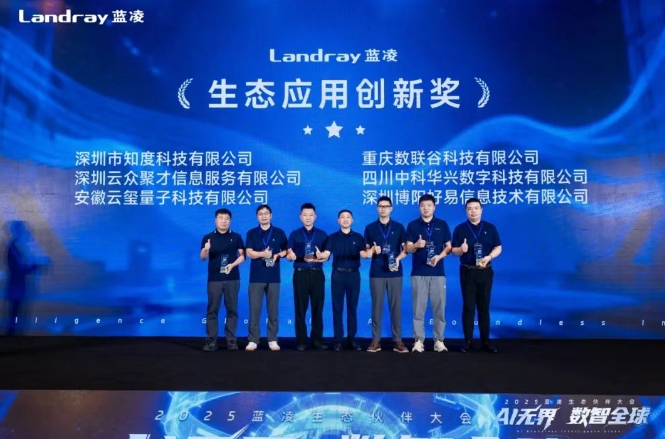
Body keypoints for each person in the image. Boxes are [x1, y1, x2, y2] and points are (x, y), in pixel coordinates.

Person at [451, 198, 502, 353]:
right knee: (468, 307)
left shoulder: (490, 228)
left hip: (485, 271)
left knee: (484, 307)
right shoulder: (460, 229)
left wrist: (489, 257)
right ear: (466, 211)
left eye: (476, 208)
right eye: (469, 209)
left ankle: (486, 342)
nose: (473, 211)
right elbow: (454, 251)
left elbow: (498, 247)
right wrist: (461, 249)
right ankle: (467, 342)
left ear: (481, 210)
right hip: (468, 271)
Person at [405, 194, 452, 353]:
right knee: (418, 309)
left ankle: (439, 340)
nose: (426, 208)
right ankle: (418, 341)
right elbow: (407, 248)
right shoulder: (412, 225)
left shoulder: (442, 224)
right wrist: (416, 245)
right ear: (419, 207)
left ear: (434, 207)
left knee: (439, 308)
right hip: (418, 272)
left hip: (438, 273)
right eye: (423, 205)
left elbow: (449, 247)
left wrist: (439, 257)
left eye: (429, 205)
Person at [363, 196, 409, 353]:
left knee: (396, 307)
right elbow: (366, 251)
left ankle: (398, 341)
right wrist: (372, 250)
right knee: (376, 307)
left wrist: (398, 259)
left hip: (395, 272)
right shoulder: (370, 228)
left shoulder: (399, 227)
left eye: (386, 206)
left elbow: (405, 249)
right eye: (380, 206)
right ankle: (375, 341)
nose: (383, 208)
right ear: (377, 208)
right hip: (377, 272)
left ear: (391, 208)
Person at [321, 209, 372, 351]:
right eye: (342, 217)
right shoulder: (332, 237)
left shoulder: (358, 237)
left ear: (352, 220)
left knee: (352, 308)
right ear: (338, 220)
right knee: (337, 308)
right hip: (337, 275)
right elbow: (326, 254)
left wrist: (370, 253)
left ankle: (351, 339)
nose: (345, 219)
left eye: (348, 217)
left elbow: (363, 254)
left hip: (353, 275)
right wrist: (320, 255)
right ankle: (338, 340)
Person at [200, 208, 246, 352]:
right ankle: (211, 341)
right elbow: (202, 257)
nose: (224, 221)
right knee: (212, 310)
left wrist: (232, 265)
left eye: (226, 218)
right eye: (221, 218)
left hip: (232, 278)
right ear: (216, 220)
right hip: (214, 279)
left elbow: (243, 256)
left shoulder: (236, 237)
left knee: (232, 309)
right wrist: (206, 249)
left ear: (230, 221)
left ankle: (231, 340)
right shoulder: (208, 237)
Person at [244, 204, 288, 352]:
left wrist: (277, 255)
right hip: (256, 277)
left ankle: (272, 339)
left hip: (273, 277)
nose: (264, 216)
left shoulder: (279, 232)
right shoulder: (251, 233)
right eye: (260, 214)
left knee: (273, 310)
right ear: (257, 217)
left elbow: (287, 250)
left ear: (271, 215)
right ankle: (253, 340)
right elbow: (249, 253)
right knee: (254, 310)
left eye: (266, 213)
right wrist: (262, 254)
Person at [286, 203, 329, 351]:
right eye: (305, 215)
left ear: (315, 217)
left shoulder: (322, 235)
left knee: (318, 308)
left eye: (311, 215)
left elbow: (327, 257)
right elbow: (289, 254)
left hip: (317, 274)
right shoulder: (294, 234)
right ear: (300, 217)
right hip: (300, 274)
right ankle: (301, 341)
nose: (308, 218)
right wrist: (290, 256)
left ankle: (317, 340)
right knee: (300, 308)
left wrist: (321, 256)